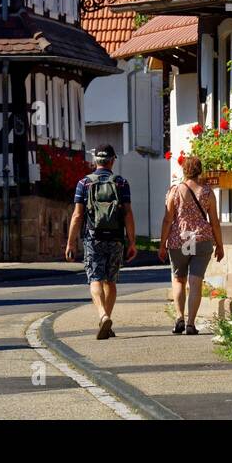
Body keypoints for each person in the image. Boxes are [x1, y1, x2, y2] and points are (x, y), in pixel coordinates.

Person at [65, 145, 136, 339]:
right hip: (116, 238)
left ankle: (103, 315)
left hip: (93, 238)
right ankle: (108, 320)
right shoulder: (121, 183)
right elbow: (128, 213)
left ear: (95, 160)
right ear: (112, 161)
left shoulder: (84, 183)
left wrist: (71, 242)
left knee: (95, 279)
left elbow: (77, 215)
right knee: (111, 281)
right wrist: (132, 241)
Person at [157, 155, 224, 335]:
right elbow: (215, 222)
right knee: (195, 281)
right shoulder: (207, 192)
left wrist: (162, 244)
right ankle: (191, 324)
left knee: (179, 279)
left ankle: (179, 318)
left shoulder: (174, 191)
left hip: (179, 239)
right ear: (200, 170)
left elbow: (167, 220)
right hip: (201, 239)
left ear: (184, 170)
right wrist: (220, 245)